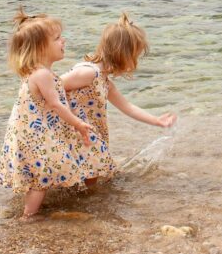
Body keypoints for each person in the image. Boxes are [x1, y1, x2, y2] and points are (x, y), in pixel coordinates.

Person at [0, 8, 96, 219]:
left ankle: (37, 208)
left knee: (43, 172)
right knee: (41, 179)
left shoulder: (39, 72)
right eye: (57, 38)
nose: (64, 41)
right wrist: (78, 124)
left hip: (33, 133)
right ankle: (28, 217)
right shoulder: (42, 74)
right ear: (41, 47)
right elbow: (56, 105)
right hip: (34, 137)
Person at [62, 13, 177, 185]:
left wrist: (156, 121)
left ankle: (82, 206)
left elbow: (127, 107)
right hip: (75, 131)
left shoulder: (104, 82)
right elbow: (52, 86)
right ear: (122, 54)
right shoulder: (88, 72)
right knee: (89, 173)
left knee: (93, 173)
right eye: (135, 56)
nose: (135, 61)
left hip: (89, 135)